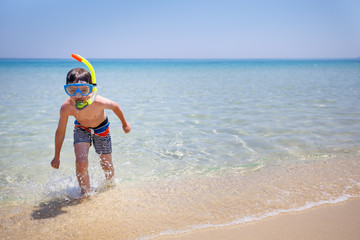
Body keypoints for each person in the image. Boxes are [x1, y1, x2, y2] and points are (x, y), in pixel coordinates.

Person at [51, 68, 131, 195]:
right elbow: (60, 132)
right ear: (66, 90)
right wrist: (56, 156)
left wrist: (125, 124)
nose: (78, 95)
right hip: (81, 128)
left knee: (106, 164)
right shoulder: (66, 107)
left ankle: (110, 188)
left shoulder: (99, 102)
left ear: (91, 89)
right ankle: (85, 194)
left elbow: (115, 106)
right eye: (72, 90)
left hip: (101, 128)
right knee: (81, 162)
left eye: (84, 90)